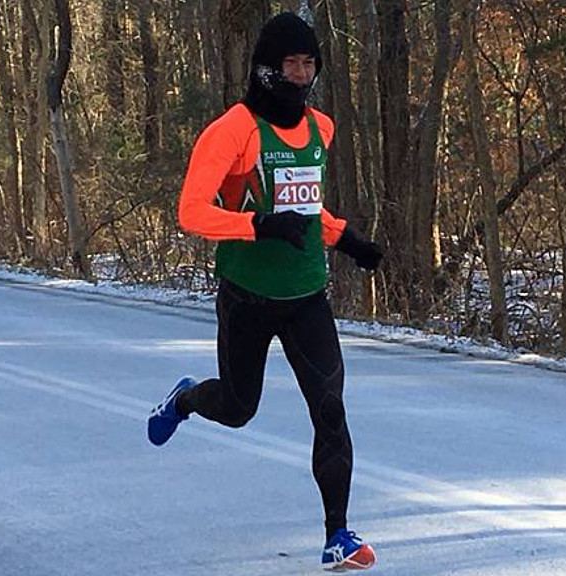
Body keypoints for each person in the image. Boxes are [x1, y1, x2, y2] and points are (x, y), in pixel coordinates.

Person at [146, 12, 382, 572]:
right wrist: (256, 225)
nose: (300, 74)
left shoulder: (321, 129)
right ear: (265, 68)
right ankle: (184, 399)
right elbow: (192, 212)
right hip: (247, 296)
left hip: (306, 296)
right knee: (237, 409)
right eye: (289, 64)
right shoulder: (233, 130)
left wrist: (347, 239)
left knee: (330, 408)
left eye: (308, 63)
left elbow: (306, 210)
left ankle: (338, 535)